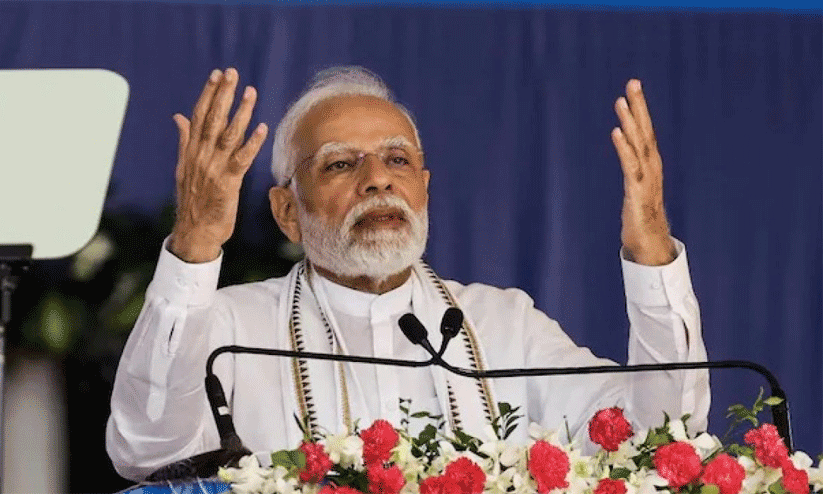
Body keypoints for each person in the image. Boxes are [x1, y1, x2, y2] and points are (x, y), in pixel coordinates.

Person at [106, 66, 709, 482]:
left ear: (423, 187)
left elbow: (656, 436)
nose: (378, 180)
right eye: (340, 164)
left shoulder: (503, 324)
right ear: (288, 212)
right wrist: (194, 246)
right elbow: (147, 449)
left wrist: (652, 252)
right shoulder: (233, 327)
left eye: (397, 159)